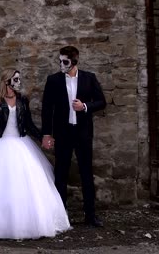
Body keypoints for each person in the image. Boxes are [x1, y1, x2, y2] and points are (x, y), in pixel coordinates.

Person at [0, 68, 71, 239]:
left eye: (19, 79)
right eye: (16, 79)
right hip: (0, 144)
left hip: (20, 143)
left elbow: (29, 124)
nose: (19, 82)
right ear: (7, 82)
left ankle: (26, 224)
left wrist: (43, 137)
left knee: (27, 182)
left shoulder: (22, 100)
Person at [41, 46, 106, 227]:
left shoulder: (89, 78)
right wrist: (47, 133)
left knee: (86, 173)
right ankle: (61, 216)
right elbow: (47, 108)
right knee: (61, 173)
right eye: (60, 61)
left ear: (75, 61)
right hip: (63, 133)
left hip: (83, 133)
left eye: (65, 62)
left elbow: (102, 102)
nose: (61, 64)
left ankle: (90, 215)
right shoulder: (53, 80)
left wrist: (85, 106)